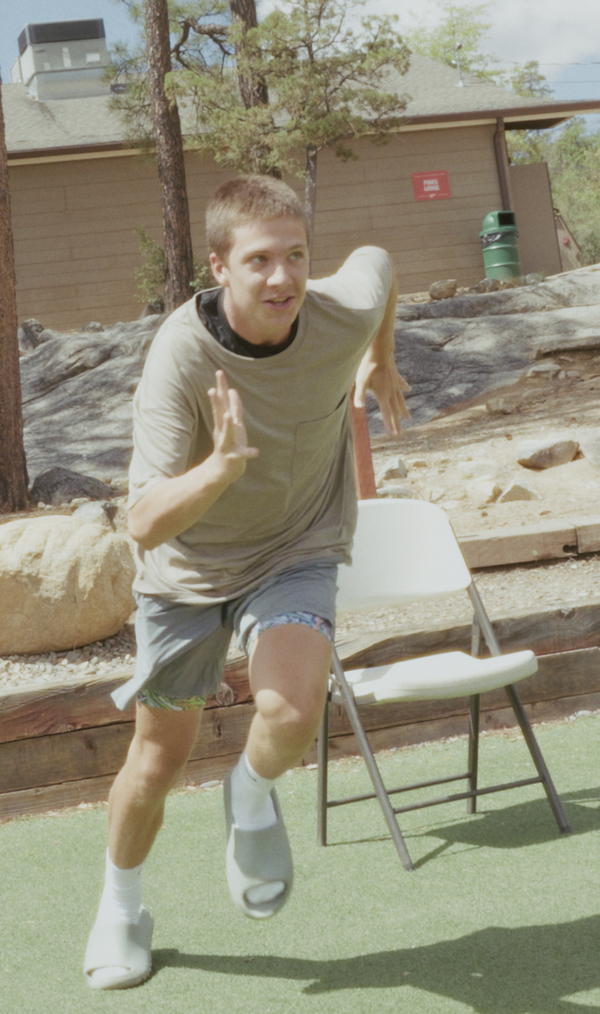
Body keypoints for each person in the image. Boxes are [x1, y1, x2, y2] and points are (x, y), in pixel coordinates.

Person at [83, 175, 408, 990]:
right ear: (220, 267)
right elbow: (142, 522)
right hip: (186, 574)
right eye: (260, 259)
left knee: (292, 711)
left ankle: (251, 792)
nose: (283, 277)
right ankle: (120, 908)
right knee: (157, 763)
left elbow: (379, 263)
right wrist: (220, 469)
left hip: (296, 548)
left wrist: (381, 357)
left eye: (296, 255)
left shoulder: (338, 312)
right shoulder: (181, 355)